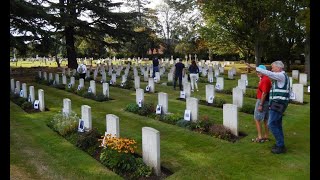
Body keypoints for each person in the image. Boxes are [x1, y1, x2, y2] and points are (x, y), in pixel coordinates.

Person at [246, 61, 290, 154]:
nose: (272, 69)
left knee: (271, 124)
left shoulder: (281, 76)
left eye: (273, 67)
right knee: (277, 124)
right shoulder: (283, 76)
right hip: (278, 103)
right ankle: (280, 144)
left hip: (278, 104)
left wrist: (254, 67)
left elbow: (268, 73)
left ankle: (280, 145)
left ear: (279, 68)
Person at [251, 65, 272, 143]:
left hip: (262, 101)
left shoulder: (265, 80)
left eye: (259, 71)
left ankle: (260, 137)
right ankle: (266, 136)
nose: (257, 73)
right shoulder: (265, 79)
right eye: (257, 71)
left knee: (257, 118)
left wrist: (260, 104)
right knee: (266, 119)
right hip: (266, 101)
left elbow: (264, 93)